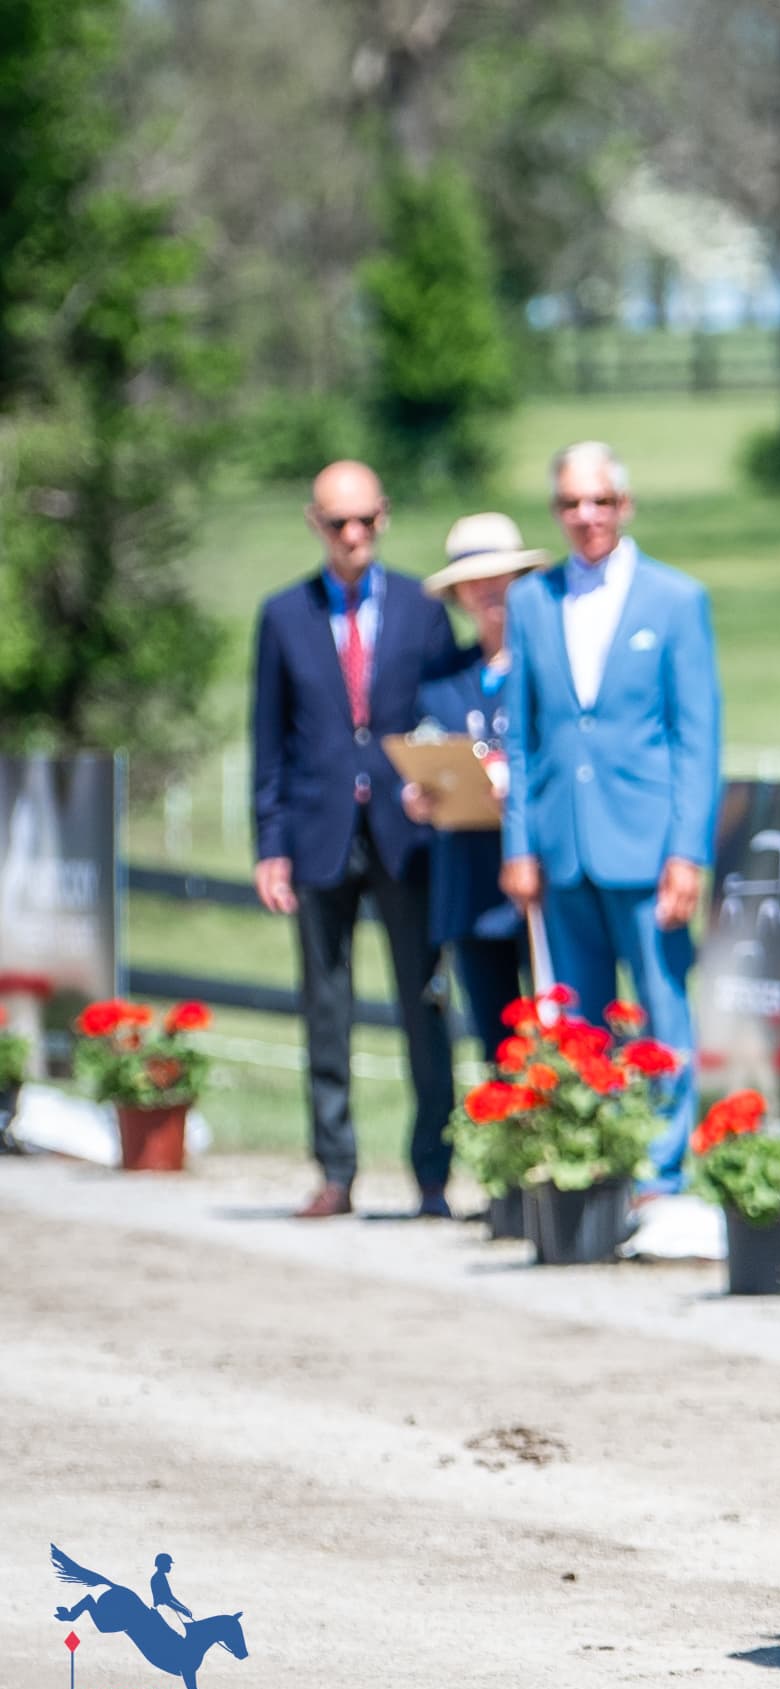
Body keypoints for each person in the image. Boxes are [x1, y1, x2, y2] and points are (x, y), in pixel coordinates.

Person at [251, 460, 474, 1219]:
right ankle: (335, 1170)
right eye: (337, 523)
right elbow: (269, 739)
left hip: (404, 833)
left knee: (424, 1003)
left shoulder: (421, 607)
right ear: (315, 525)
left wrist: (439, 789)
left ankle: (435, 1175)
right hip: (318, 833)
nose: (353, 536)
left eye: (366, 521)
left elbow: (446, 712)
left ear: (384, 518)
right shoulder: (283, 615)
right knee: (325, 1004)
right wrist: (269, 843)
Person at [500, 442, 719, 1192]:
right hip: (563, 845)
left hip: (648, 844)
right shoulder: (532, 602)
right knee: (582, 1021)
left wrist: (686, 852)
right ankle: (596, 1161)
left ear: (623, 506)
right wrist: (519, 842)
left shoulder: (676, 600)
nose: (586, 516)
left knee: (662, 1009)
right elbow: (522, 738)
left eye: (599, 501)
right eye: (570, 504)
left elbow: (697, 738)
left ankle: (662, 1171)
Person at [404, 514, 549, 1062]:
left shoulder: (549, 671)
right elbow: (424, 754)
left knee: (558, 1031)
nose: (489, 594)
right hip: (468, 879)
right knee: (496, 1044)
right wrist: (419, 796)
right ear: (458, 594)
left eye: (500, 580)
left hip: (539, 880)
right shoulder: (444, 679)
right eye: (475, 583)